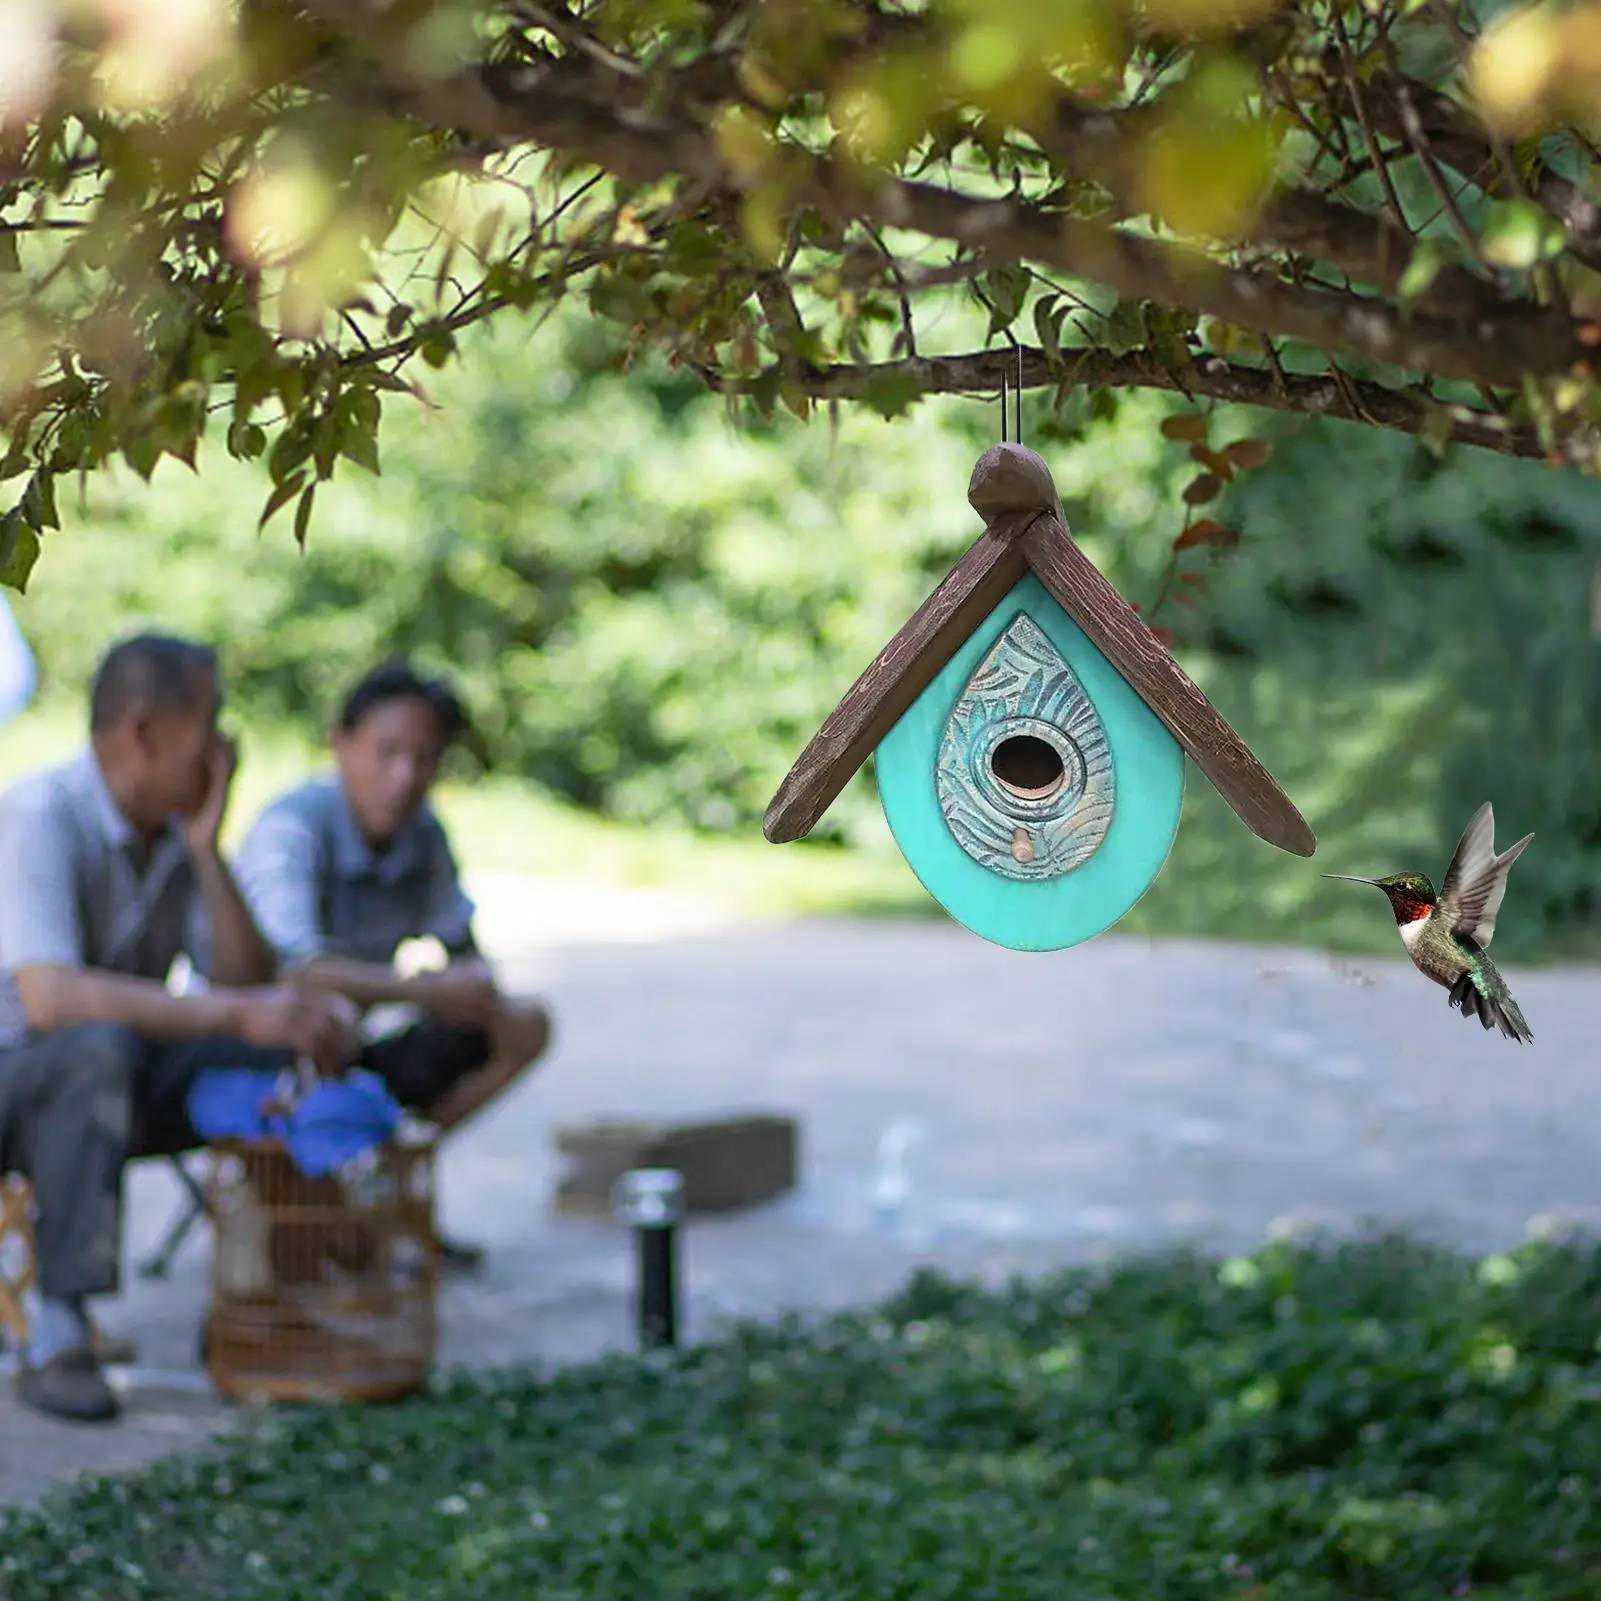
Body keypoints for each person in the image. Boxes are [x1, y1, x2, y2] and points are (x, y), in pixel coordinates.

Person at [0, 634, 360, 1424]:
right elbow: (49, 1000)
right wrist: (237, 1010)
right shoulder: (37, 814)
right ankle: (57, 1330)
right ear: (144, 731)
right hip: (20, 1081)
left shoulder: (170, 830)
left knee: (281, 1035)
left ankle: (263, 1292)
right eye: (210, 726)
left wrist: (205, 848)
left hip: (109, 1077)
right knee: (97, 1049)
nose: (225, 749)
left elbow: (245, 980)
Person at [232, 660, 553, 1273]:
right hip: (274, 1053)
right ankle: (336, 1208)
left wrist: (475, 991)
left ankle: (390, 1187)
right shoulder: (290, 828)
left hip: (356, 1043)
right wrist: (421, 991)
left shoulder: (423, 834)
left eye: (424, 760)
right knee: (319, 1023)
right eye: (386, 753)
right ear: (340, 745)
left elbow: (465, 951)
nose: (404, 778)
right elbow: (289, 972)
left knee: (523, 1024)